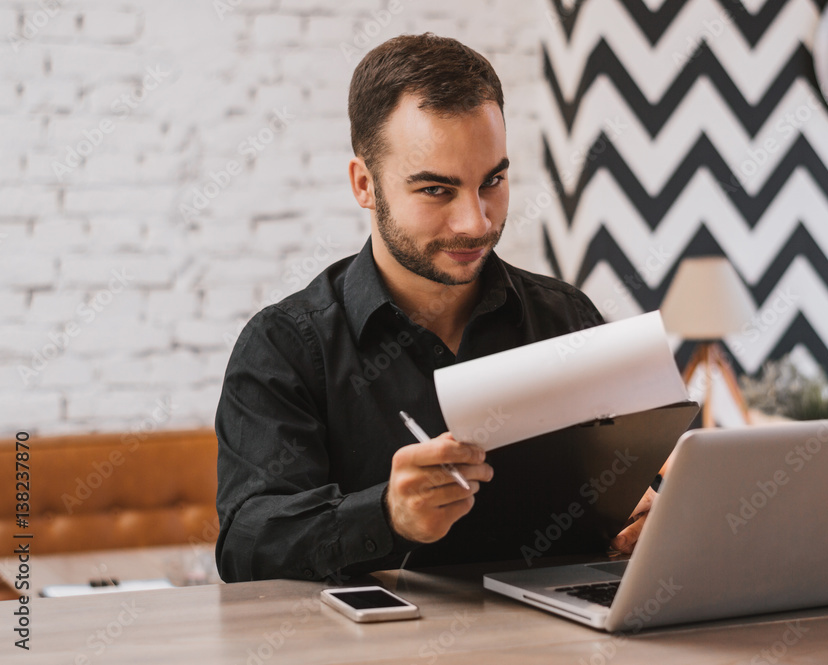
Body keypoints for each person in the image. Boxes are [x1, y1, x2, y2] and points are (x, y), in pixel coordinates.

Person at [214, 33, 648, 583]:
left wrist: (647, 516)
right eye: (437, 191)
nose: (476, 221)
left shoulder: (567, 321)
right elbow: (247, 546)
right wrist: (385, 515)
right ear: (365, 185)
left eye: (492, 180)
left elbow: (629, 499)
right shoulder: (284, 348)